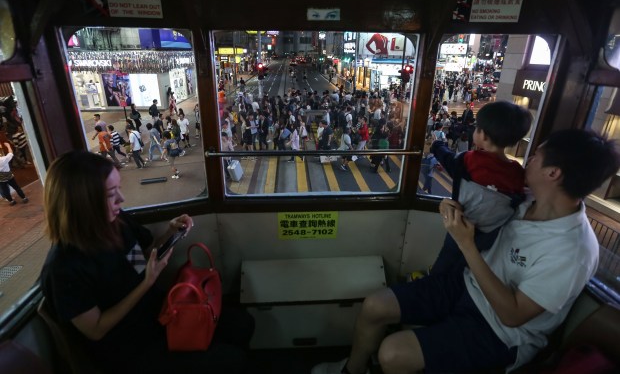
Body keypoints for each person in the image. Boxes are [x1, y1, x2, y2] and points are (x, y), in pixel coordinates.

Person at [312, 128, 620, 374]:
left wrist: (465, 244)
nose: (528, 160)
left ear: (554, 173)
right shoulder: (524, 201)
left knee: (393, 353)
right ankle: (352, 370)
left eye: (536, 156)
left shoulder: (572, 249)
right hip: (466, 285)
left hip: (500, 334)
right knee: (374, 305)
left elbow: (513, 315)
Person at [39, 151, 254, 374]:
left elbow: (138, 260)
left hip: (158, 315)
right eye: (111, 194)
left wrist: (170, 232)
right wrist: (146, 283)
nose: (121, 200)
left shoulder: (115, 224)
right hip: (130, 349)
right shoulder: (64, 268)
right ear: (82, 203)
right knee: (232, 361)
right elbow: (96, 329)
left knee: (242, 324)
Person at [429, 101, 532, 275]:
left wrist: (436, 145)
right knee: (468, 270)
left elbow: (449, 161)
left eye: (477, 128)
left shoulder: (469, 160)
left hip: (461, 227)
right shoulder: (517, 172)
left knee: (444, 266)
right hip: (492, 237)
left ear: (483, 136)